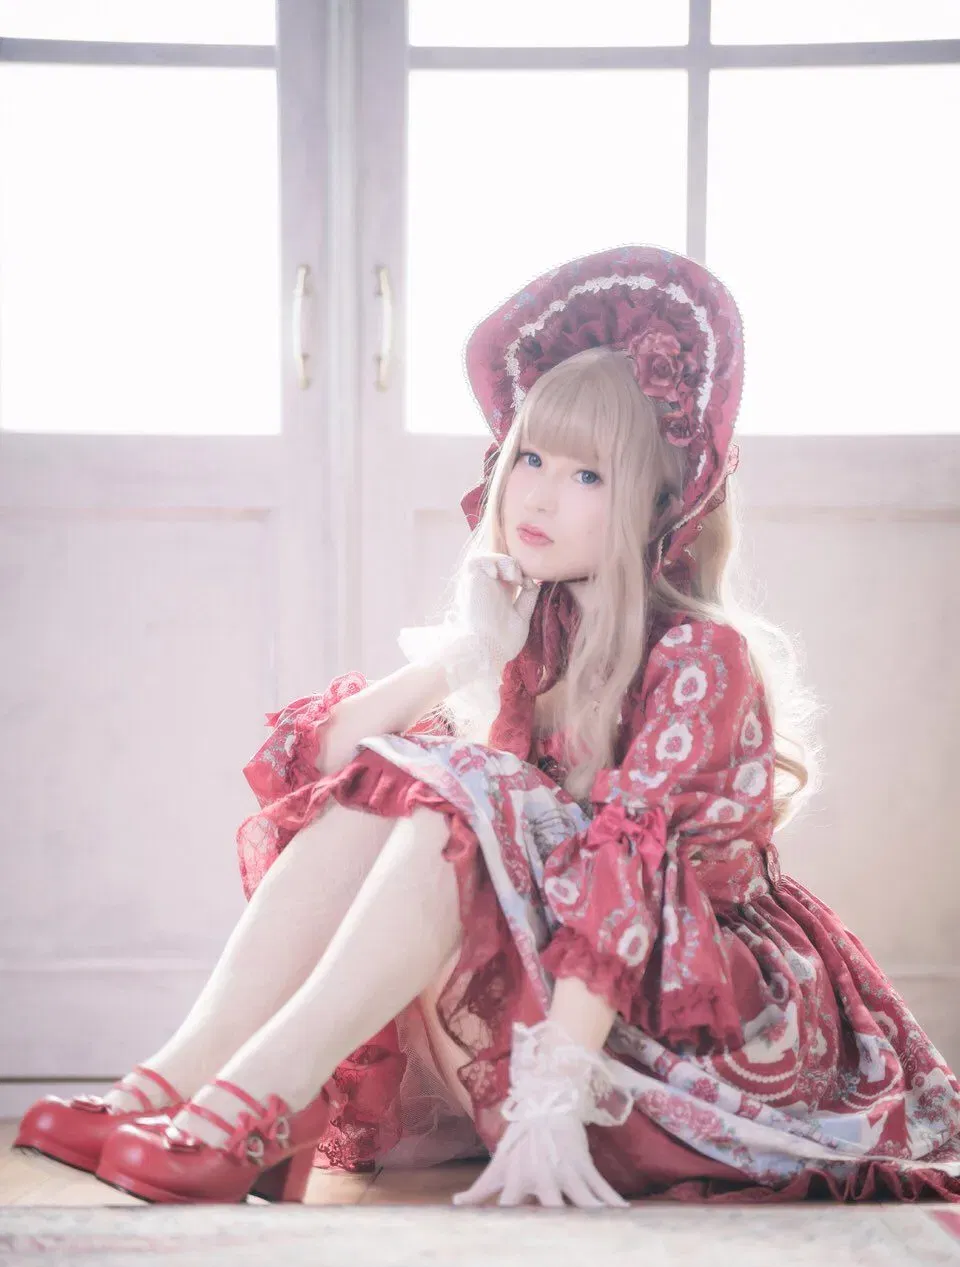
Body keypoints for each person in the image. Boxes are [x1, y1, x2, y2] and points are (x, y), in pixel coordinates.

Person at [14, 245, 960, 1207]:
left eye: (587, 475)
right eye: (531, 458)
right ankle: (178, 1083)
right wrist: (464, 652)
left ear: (658, 503)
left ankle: (258, 1100)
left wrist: (553, 1100)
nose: (537, 494)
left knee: (457, 783)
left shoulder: (700, 656)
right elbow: (326, 767)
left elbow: (624, 884)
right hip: (567, 993)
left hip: (696, 1015)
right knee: (413, 766)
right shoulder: (535, 632)